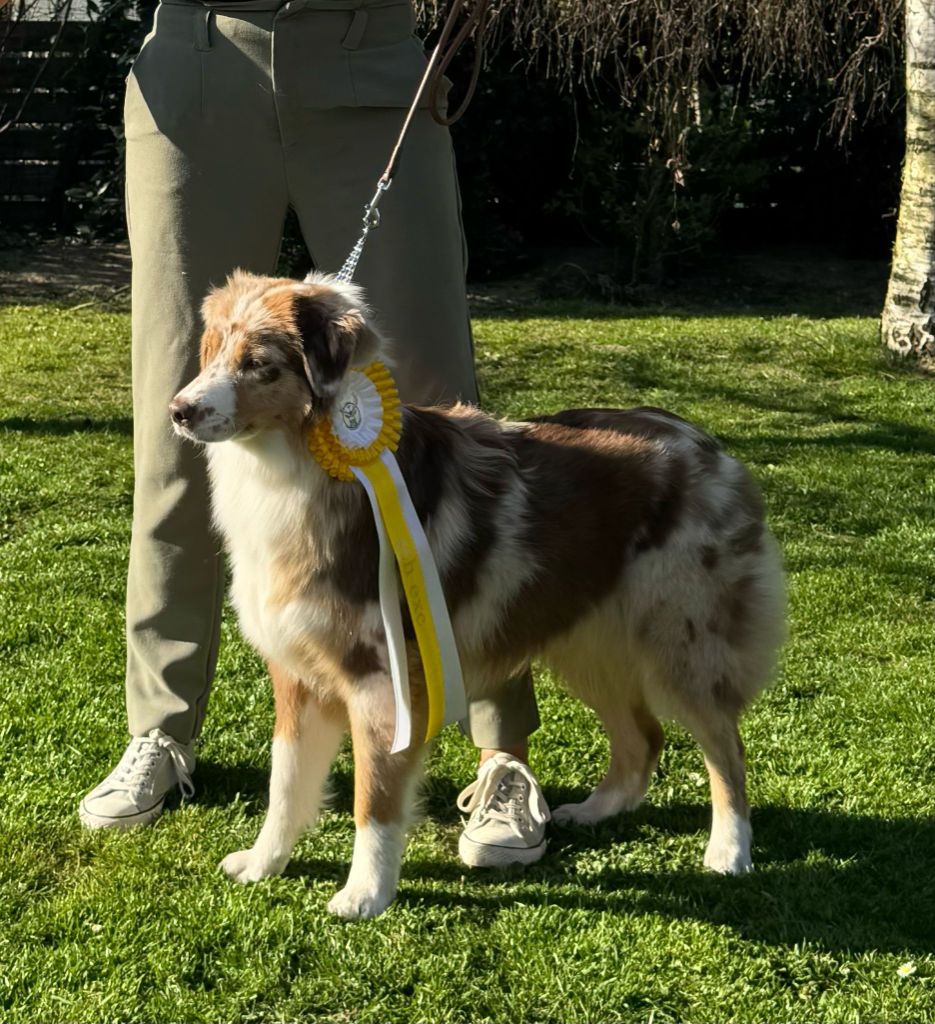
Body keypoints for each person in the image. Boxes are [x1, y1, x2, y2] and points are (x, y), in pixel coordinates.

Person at [78, 0, 550, 868]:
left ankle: (502, 754)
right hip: (194, 68)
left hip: (368, 57)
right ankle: (162, 730)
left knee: (435, 418)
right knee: (176, 424)